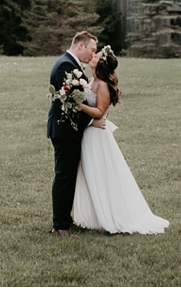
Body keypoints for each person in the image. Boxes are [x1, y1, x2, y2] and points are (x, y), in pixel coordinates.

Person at [72, 46, 169, 234]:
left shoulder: (103, 85)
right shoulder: (91, 80)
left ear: (100, 63)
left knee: (102, 173)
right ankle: (96, 215)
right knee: (91, 174)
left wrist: (78, 105)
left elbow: (100, 112)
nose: (92, 55)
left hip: (97, 137)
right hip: (89, 134)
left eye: (96, 55)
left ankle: (113, 215)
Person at [48, 31, 105, 236]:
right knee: (64, 176)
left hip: (69, 129)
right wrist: (92, 120)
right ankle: (60, 225)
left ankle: (65, 220)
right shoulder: (66, 65)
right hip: (64, 129)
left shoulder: (72, 64)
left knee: (69, 175)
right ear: (80, 46)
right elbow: (72, 102)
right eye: (92, 49)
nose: (93, 54)